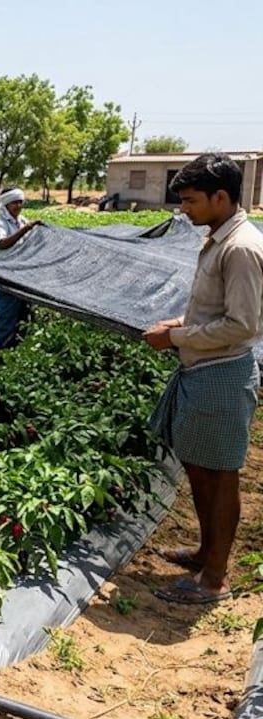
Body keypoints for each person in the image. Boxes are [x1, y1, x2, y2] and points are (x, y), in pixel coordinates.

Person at [144, 154, 263, 605]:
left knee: (221, 474)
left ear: (221, 197)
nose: (184, 210)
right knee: (200, 465)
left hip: (222, 375)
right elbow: (217, 314)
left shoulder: (241, 248)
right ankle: (204, 552)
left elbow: (242, 326)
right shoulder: (219, 238)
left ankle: (214, 578)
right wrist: (180, 324)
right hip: (203, 369)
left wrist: (175, 336)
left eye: (191, 201)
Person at [0, 188, 43, 351]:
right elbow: (2, 243)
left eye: (20, 202)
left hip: (24, 276)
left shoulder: (21, 221)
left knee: (24, 317)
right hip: (6, 278)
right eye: (14, 202)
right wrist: (26, 229)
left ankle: (19, 352)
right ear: (6, 204)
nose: (18, 206)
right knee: (6, 318)